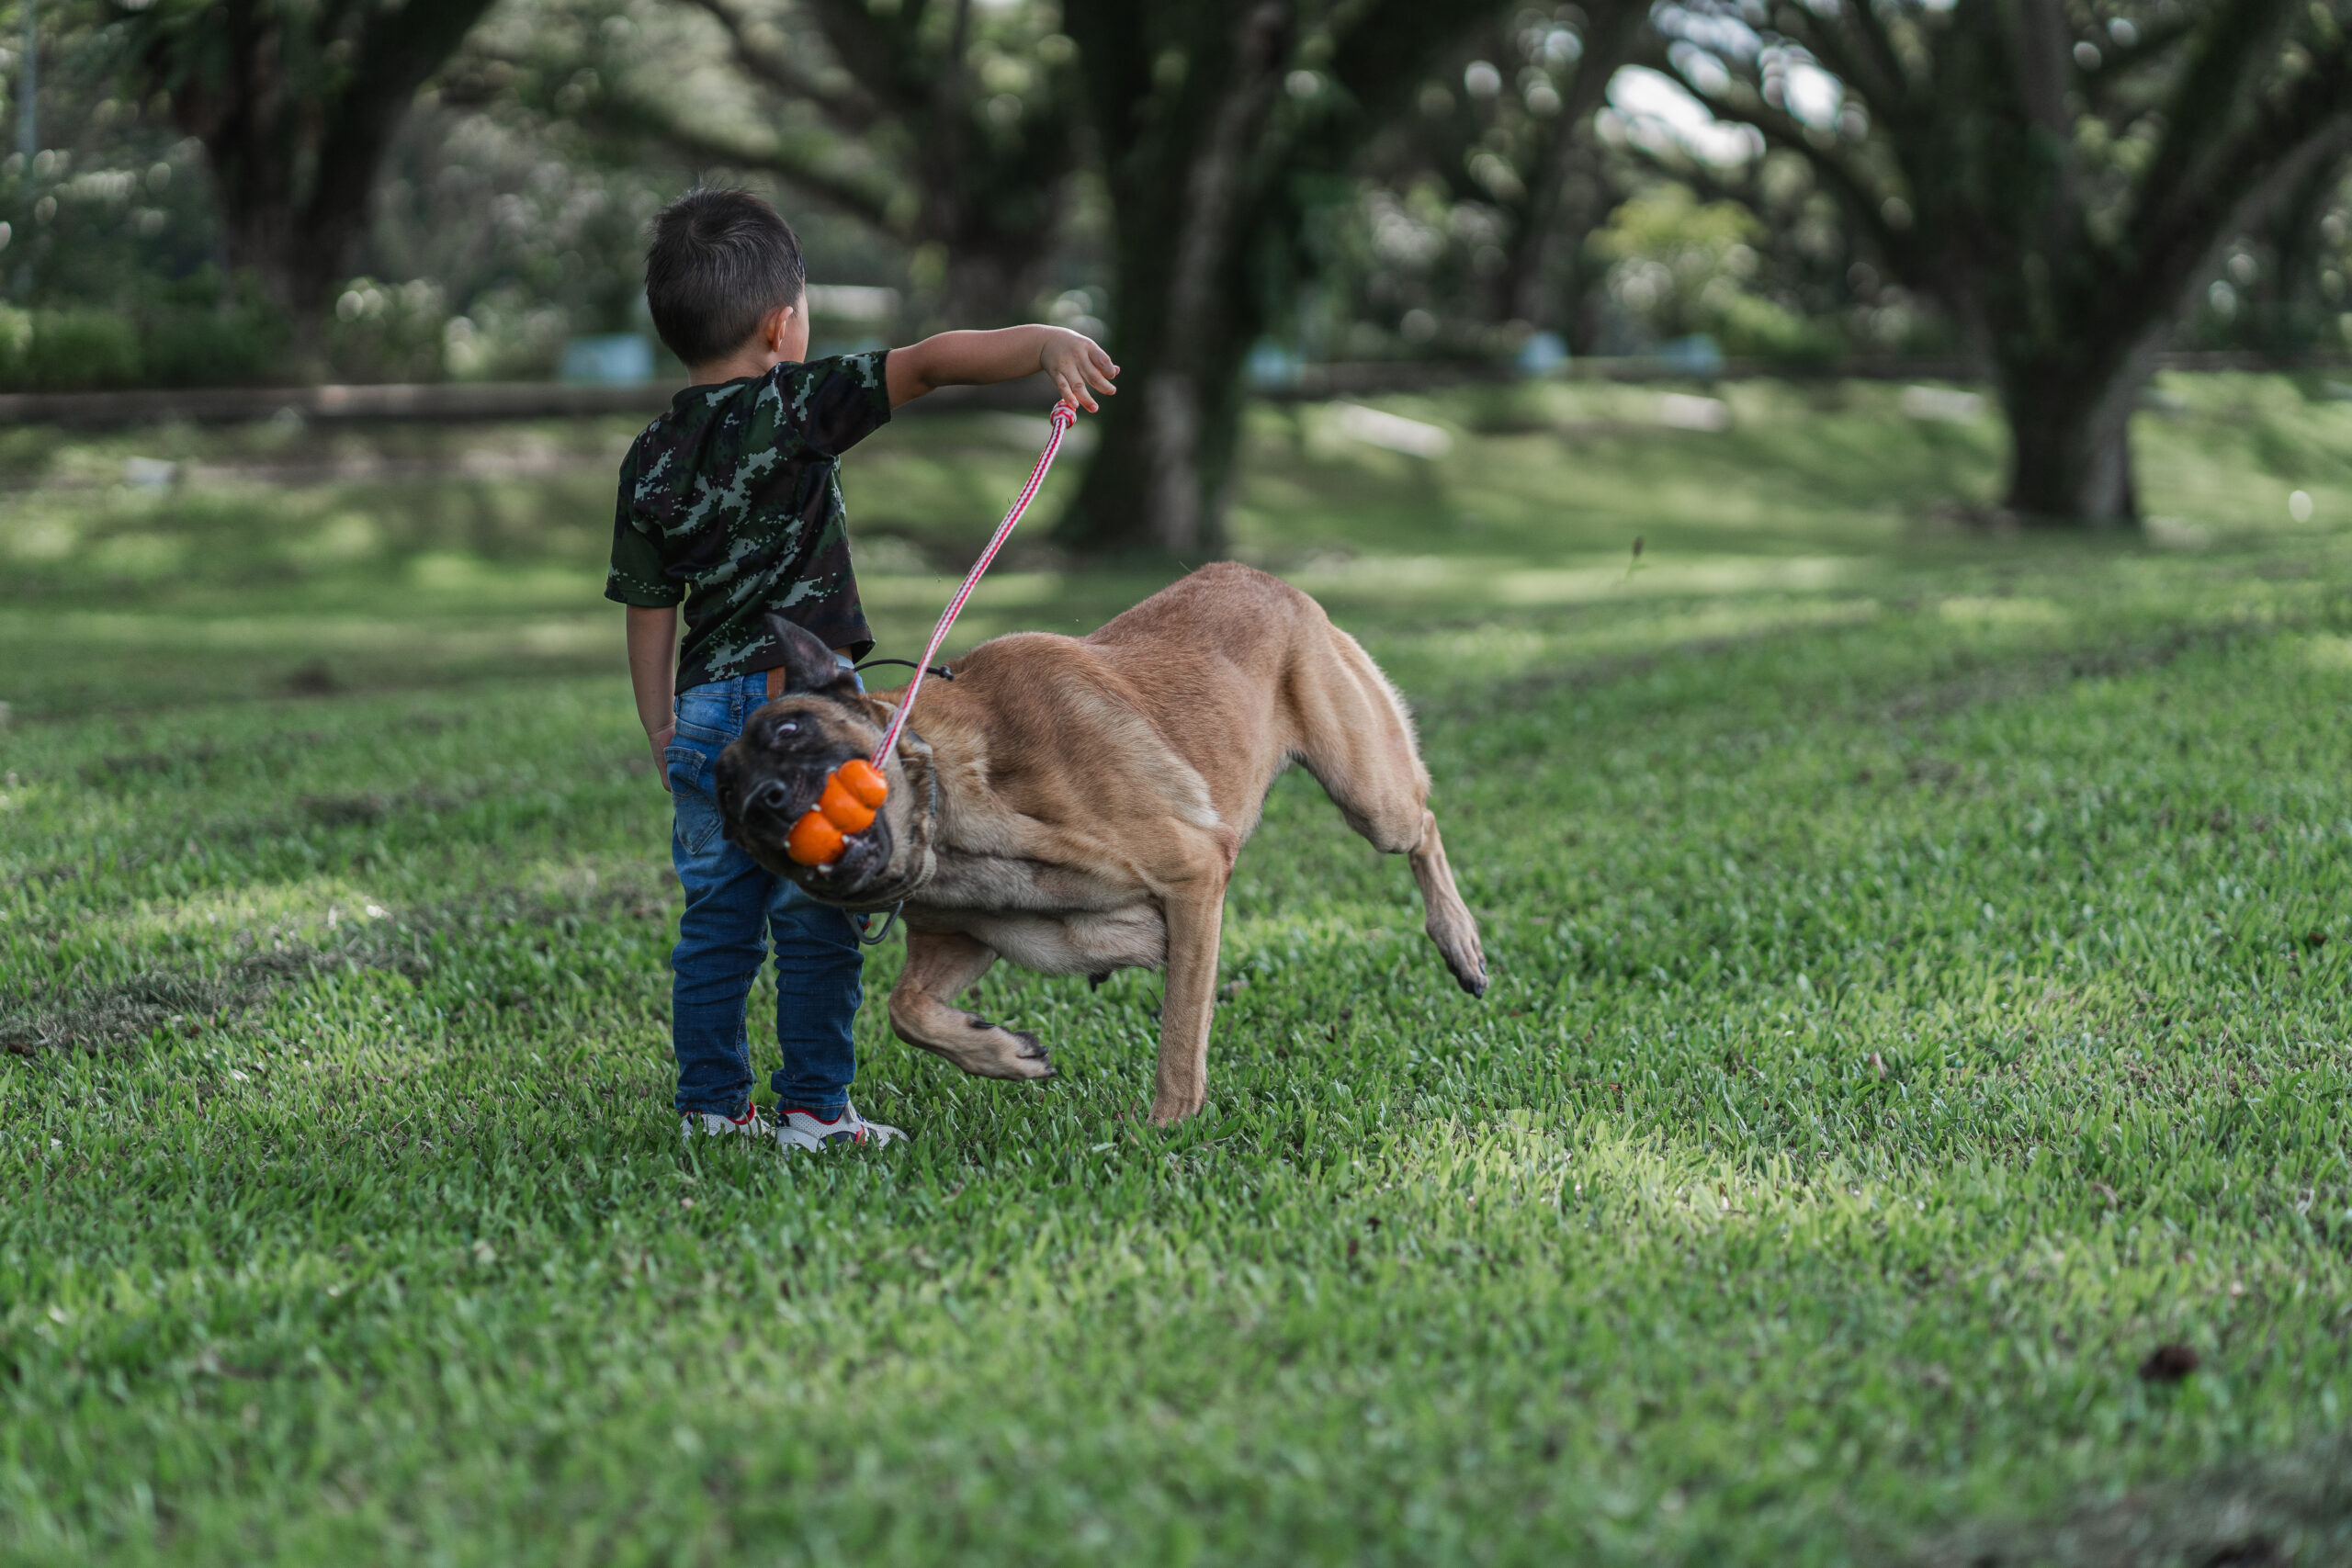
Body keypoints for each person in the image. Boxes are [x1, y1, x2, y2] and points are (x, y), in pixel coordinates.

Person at [609, 187, 1119, 1151]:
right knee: (819, 914)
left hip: (709, 719)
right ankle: (814, 1109)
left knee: (716, 922)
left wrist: (662, 724)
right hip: (807, 723)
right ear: (781, 322)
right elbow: (930, 364)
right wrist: (1045, 340)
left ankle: (711, 1110)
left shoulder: (652, 455)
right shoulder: (797, 402)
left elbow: (647, 606)